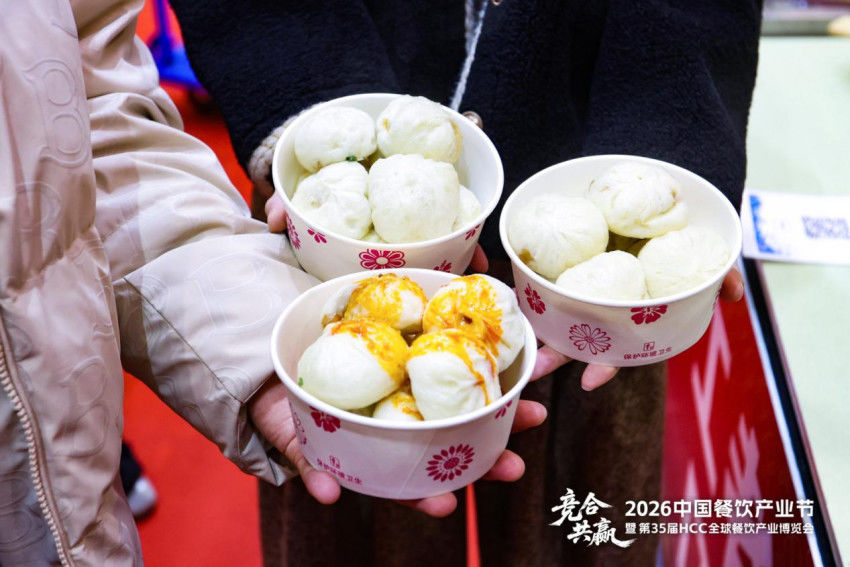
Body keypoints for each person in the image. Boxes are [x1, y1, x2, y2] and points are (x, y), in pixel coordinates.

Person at [169, 0, 760, 565]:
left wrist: (660, 170)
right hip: (334, 236)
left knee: (579, 512)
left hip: (594, 243)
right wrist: (312, 117)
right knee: (355, 464)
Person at [0, 2, 538, 564]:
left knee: (551, 508)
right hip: (312, 240)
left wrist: (254, 342)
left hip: (531, 244)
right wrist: (302, 108)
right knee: (348, 527)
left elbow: (94, 120)